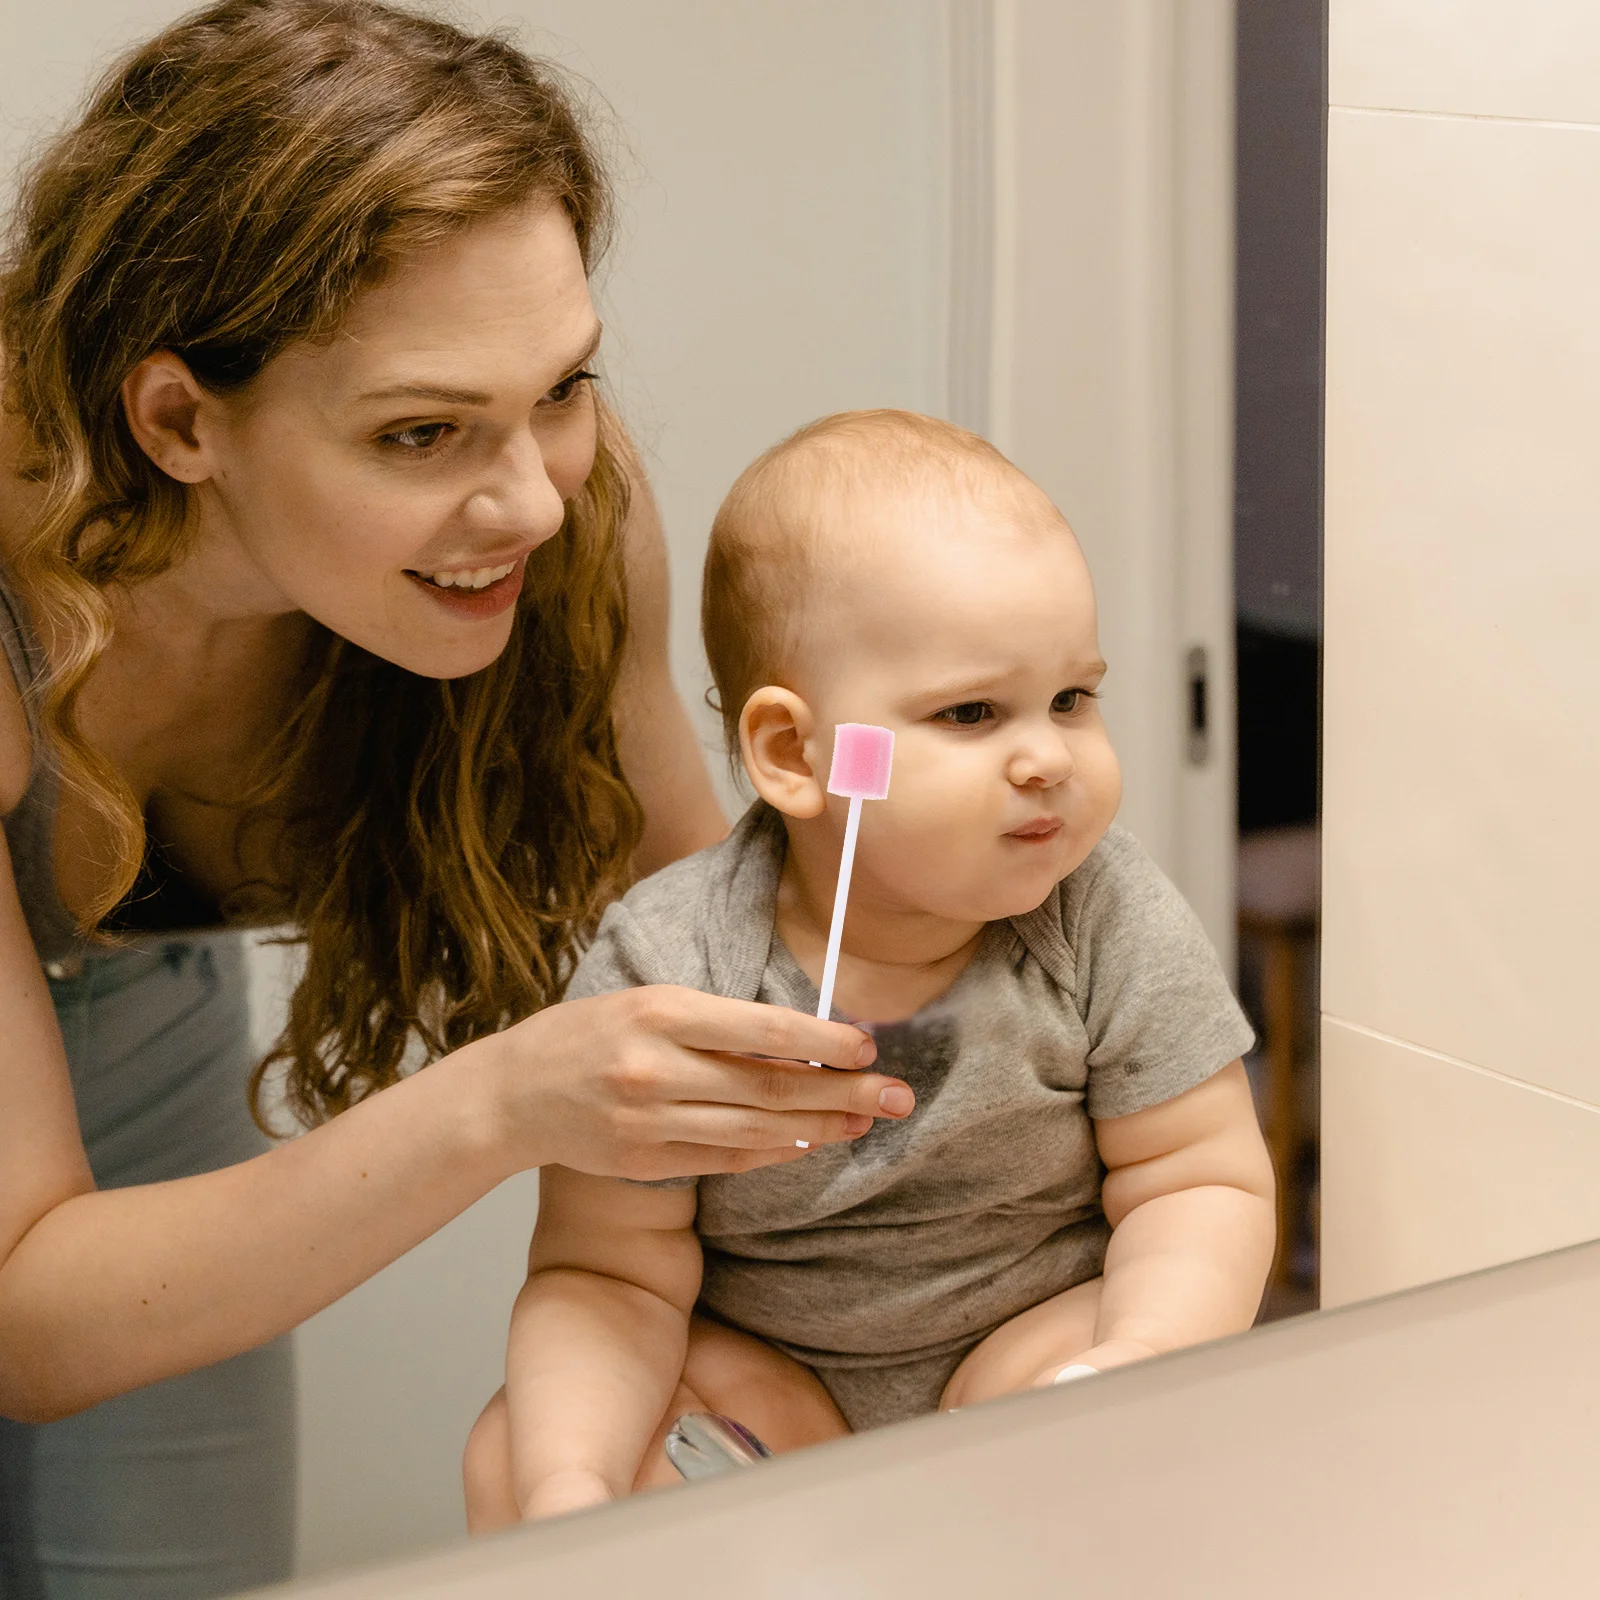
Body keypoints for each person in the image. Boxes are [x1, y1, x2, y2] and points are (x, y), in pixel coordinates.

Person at [0, 6, 915, 1595]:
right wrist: (509, 1102)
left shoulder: (562, 506)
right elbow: (29, 1319)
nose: (528, 501)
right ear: (176, 420)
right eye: (421, 433)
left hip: (130, 984)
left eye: (560, 387)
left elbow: (725, 968)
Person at [462, 410, 1277, 1525]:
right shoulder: (673, 963)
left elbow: (1197, 1181)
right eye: (973, 712)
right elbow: (607, 1274)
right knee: (515, 1452)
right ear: (798, 755)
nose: (1046, 756)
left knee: (1150, 1431)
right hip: (771, 1384)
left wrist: (1135, 1356)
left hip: (1027, 1339)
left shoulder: (1104, 914)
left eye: (1071, 700)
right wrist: (573, 1484)